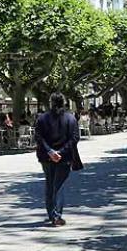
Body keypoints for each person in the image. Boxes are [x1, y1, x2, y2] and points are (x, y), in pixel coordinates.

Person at [35, 92, 82, 227]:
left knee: (50, 184)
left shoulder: (42, 118)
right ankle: (56, 216)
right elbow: (74, 138)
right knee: (59, 186)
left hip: (46, 156)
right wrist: (60, 152)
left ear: (51, 102)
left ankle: (52, 214)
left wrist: (50, 151)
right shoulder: (71, 119)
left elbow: (38, 137)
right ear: (64, 102)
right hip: (64, 157)